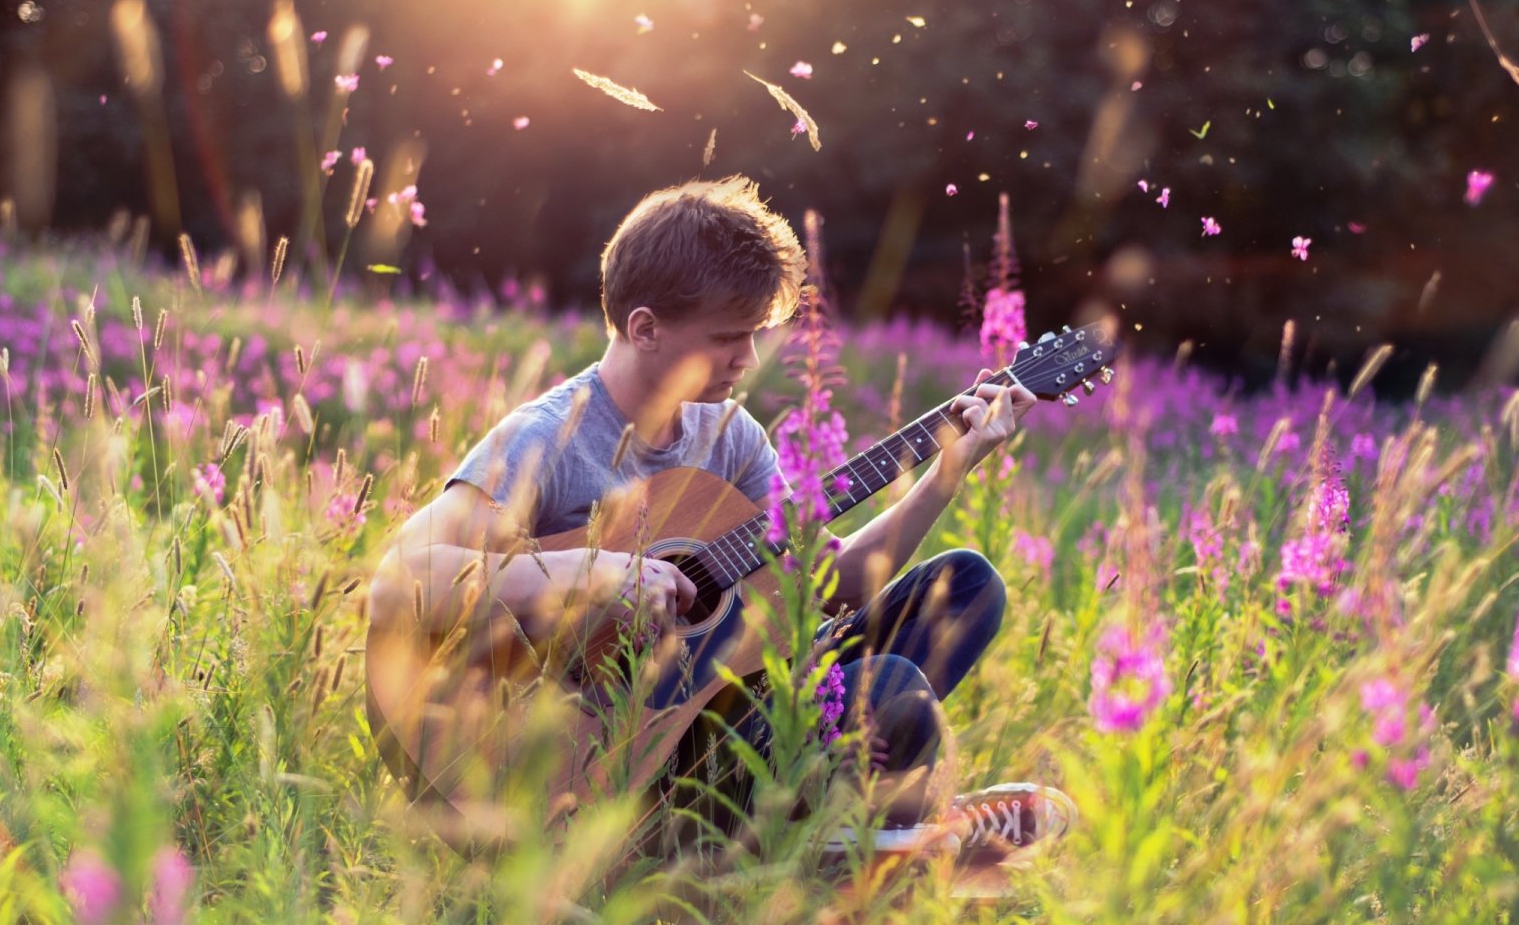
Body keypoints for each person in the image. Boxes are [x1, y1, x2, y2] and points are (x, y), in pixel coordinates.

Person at [366, 175, 1074, 859]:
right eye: (728, 336)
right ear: (645, 328)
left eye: (757, 333)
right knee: (887, 693)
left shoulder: (729, 438)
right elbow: (405, 579)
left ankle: (846, 826)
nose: (748, 357)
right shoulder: (548, 438)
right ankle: (866, 830)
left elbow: (830, 586)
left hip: (731, 717)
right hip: (610, 765)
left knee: (966, 586)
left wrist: (947, 471)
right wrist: (597, 571)